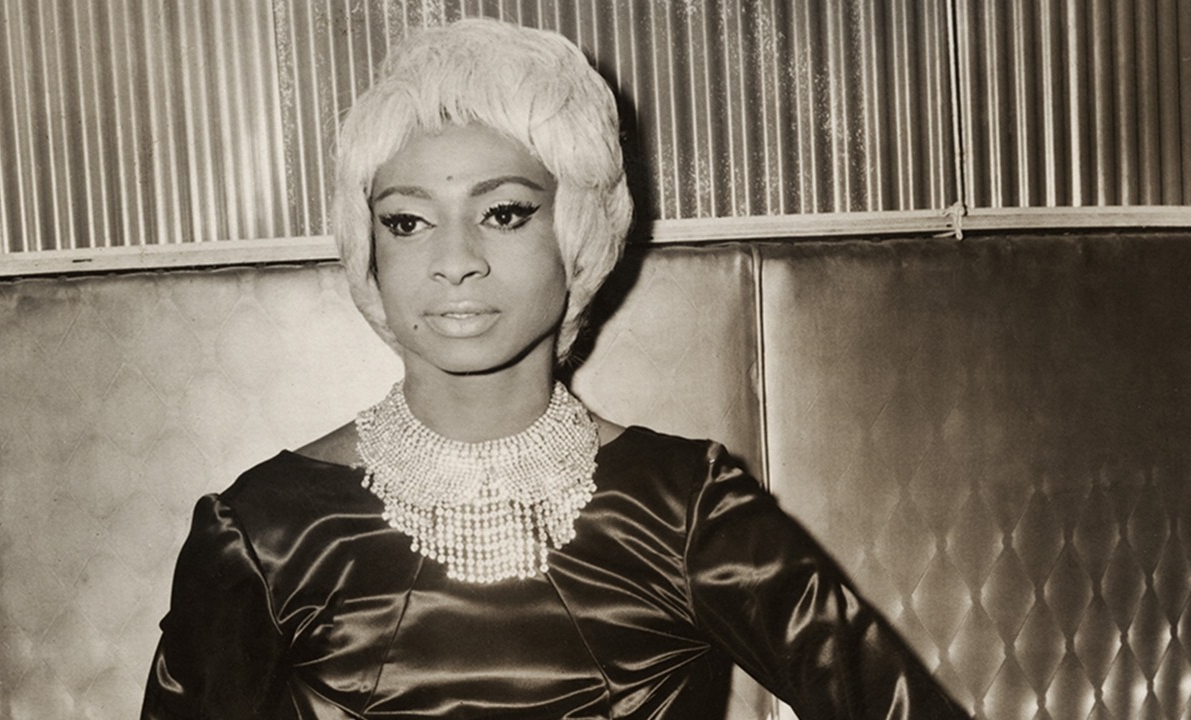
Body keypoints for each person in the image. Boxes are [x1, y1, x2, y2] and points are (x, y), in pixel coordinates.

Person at [142, 18, 970, 720]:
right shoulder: (262, 532)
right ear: (369, 253)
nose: (455, 260)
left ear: (576, 232)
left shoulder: (686, 510)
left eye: (504, 213)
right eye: (407, 221)